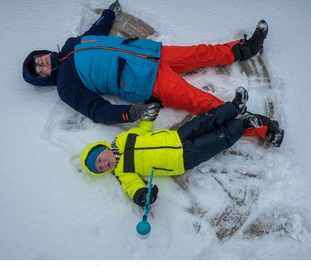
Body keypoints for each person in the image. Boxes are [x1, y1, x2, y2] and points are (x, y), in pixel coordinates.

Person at [22, 1, 270, 139]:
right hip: (144, 81)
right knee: (200, 101)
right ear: (43, 79)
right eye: (38, 70)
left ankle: (245, 49)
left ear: (43, 52)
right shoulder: (66, 86)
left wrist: (109, 14)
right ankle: (259, 127)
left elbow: (95, 33)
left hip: (150, 54)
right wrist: (131, 113)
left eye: (38, 59)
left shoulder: (70, 45)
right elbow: (97, 111)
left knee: (199, 53)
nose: (41, 63)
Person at [80, 87, 284, 208]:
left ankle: (234, 107)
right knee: (216, 139)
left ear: (102, 148)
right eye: (101, 168)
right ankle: (243, 123)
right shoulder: (123, 173)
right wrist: (143, 196)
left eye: (99, 159)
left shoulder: (123, 139)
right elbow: (133, 187)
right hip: (182, 159)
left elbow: (143, 128)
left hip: (177, 137)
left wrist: (150, 112)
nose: (104, 164)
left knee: (207, 120)